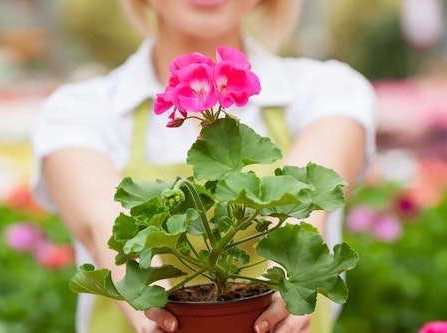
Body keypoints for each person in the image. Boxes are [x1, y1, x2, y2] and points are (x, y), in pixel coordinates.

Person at [31, 0, 377, 332]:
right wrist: (153, 308)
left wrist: (291, 274)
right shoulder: (77, 110)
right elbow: (102, 224)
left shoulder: (329, 89)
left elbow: (308, 196)